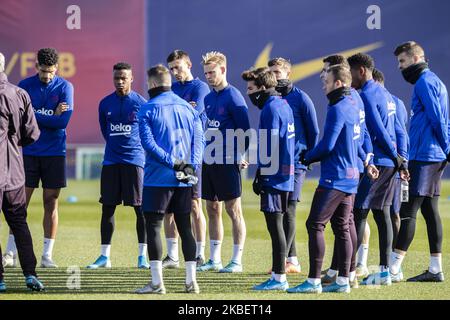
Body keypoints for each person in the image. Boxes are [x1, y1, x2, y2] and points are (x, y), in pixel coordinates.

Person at [287, 65, 360, 294]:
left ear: (338, 83)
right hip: (351, 176)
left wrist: (307, 156)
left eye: (326, 82)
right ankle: (343, 282)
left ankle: (313, 282)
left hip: (335, 178)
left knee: (315, 224)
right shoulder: (354, 104)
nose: (323, 86)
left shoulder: (338, 108)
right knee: (343, 228)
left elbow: (327, 145)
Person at [135, 64, 204, 294]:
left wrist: (173, 162)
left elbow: (149, 145)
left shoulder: (147, 109)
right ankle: (191, 282)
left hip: (158, 177)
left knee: (153, 225)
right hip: (185, 177)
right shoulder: (188, 108)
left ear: (152, 84)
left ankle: (157, 283)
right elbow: (199, 141)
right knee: (185, 227)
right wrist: (190, 166)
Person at [3, 48, 74, 268]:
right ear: (37, 67)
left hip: (55, 152)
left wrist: (38, 114)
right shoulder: (24, 86)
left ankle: (46, 256)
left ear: (56, 69)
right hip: (29, 152)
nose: (47, 76)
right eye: (44, 71)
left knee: (51, 202)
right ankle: (10, 253)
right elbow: (24, 123)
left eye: (51, 72)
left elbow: (63, 123)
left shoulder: (65, 87)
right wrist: (51, 113)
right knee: (18, 205)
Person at [347, 53, 408, 286]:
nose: (349, 77)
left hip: (380, 162)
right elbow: (398, 130)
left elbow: (380, 130)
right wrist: (401, 158)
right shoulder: (386, 95)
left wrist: (394, 156)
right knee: (382, 214)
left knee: (359, 213)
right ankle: (384, 271)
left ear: (361, 70)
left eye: (351, 72)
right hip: (390, 162)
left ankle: (348, 271)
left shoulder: (367, 95)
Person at [390, 41, 448, 282]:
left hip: (425, 156)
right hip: (433, 155)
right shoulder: (434, 80)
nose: (400, 68)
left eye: (402, 62)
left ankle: (392, 269)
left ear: (415, 59)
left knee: (408, 211)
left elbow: (437, 119)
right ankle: (436, 268)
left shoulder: (424, 82)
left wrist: (447, 147)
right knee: (429, 209)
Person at [319, 55, 378, 287]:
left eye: (326, 70)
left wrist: (310, 155)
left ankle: (345, 272)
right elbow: (361, 134)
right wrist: (366, 159)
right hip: (354, 166)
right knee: (346, 222)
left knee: (335, 223)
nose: (323, 74)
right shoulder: (355, 97)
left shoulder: (345, 99)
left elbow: (358, 134)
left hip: (342, 170)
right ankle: (345, 273)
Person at [87, 62, 148, 269]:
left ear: (131, 78)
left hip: (134, 162)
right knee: (108, 209)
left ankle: (143, 257)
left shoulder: (141, 103)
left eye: (124, 78)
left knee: (140, 210)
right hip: (111, 161)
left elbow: (147, 133)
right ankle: (105, 257)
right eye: (116, 78)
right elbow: (106, 130)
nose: (120, 81)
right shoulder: (105, 104)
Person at [241, 67, 295, 291]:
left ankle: (279, 278)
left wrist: (260, 174)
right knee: (279, 225)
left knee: (275, 228)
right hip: (285, 175)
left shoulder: (270, 109)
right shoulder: (284, 104)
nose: (249, 94)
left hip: (274, 177)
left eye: (252, 89)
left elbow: (270, 145)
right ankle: (278, 274)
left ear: (263, 88)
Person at [198, 51, 250, 273]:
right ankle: (215, 259)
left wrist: (241, 154)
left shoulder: (234, 96)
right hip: (209, 160)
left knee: (233, 209)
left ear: (223, 70)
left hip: (228, 160)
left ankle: (236, 260)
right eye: (206, 73)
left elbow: (245, 130)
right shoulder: (208, 98)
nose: (209, 76)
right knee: (211, 208)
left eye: (213, 72)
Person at [268, 57, 319, 274]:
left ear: (288, 74)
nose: (274, 76)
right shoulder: (273, 98)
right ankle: (293, 258)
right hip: (278, 163)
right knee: (281, 210)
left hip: (296, 162)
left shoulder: (301, 98)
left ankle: (286, 262)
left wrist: (308, 158)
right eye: (271, 72)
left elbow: (314, 131)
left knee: (289, 209)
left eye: (277, 72)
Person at [0, 52, 44, 292]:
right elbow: (32, 134)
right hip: (15, 172)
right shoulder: (20, 93)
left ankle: (0, 279)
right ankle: (30, 274)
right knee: (19, 223)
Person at [162, 50, 210, 268]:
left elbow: (192, 114)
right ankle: (172, 256)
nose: (175, 72)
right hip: (171, 155)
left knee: (193, 204)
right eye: (171, 69)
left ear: (189, 64)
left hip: (190, 155)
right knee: (168, 206)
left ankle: (199, 253)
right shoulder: (171, 89)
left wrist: (176, 110)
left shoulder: (200, 88)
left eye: (178, 67)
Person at [372, 68, 409, 250]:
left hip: (393, 165)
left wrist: (403, 162)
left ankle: (394, 257)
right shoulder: (392, 102)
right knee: (383, 211)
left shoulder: (395, 103)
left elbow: (401, 133)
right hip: (390, 164)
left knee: (395, 212)